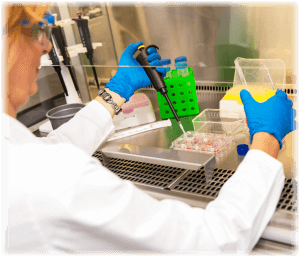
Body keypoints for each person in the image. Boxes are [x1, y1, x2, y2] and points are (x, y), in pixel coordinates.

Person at [2, 3, 297, 255]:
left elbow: (52, 150)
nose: (46, 45)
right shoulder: (44, 179)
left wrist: (116, 90)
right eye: (35, 30)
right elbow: (211, 243)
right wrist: (267, 139)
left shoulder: (17, 155)